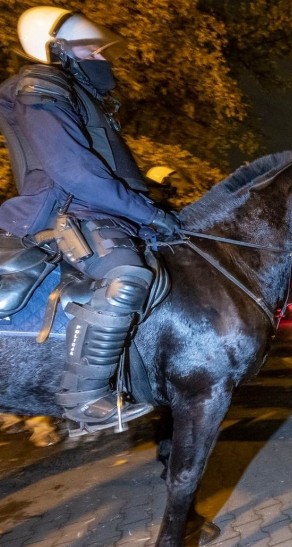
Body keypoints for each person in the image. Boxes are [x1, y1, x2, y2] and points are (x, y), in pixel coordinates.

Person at [0, 7, 181, 434]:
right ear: (56, 51)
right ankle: (84, 397)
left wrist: (153, 211)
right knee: (126, 275)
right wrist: (148, 213)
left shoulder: (76, 94)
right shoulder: (40, 86)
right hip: (69, 210)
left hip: (99, 209)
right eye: (89, 48)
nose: (100, 54)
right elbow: (74, 171)